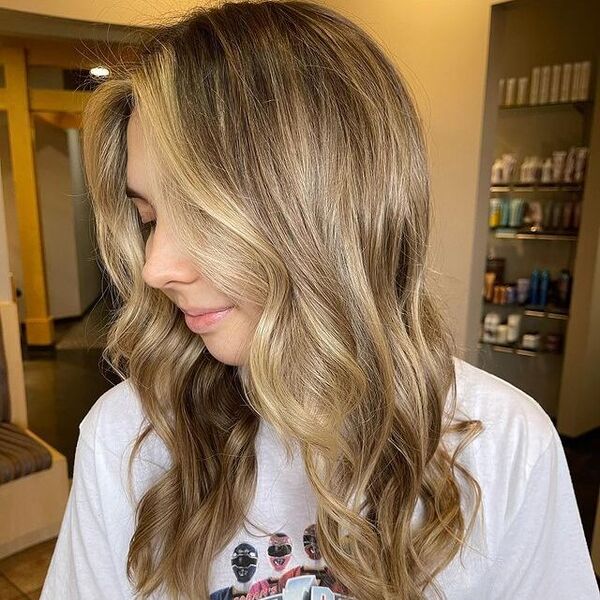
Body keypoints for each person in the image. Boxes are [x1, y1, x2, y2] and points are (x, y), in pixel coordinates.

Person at [40, 1, 599, 599]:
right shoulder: (132, 437)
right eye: (148, 217)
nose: (155, 268)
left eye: (203, 214)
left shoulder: (502, 446)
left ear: (328, 215)